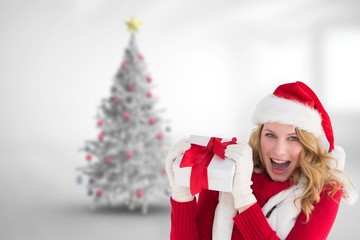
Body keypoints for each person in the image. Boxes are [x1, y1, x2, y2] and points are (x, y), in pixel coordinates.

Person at [165, 81, 358, 240]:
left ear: (308, 144)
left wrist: (244, 199)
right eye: (270, 135)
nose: (279, 150)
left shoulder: (327, 190)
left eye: (293, 138)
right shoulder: (228, 170)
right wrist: (182, 195)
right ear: (259, 136)